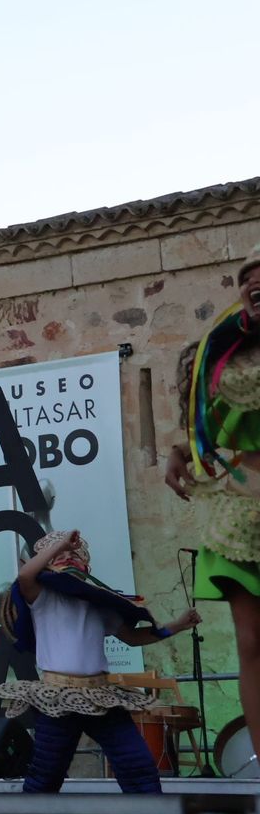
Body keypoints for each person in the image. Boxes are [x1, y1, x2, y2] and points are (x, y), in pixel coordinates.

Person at [0, 529, 199, 793]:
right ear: (48, 562)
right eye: (60, 554)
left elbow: (132, 638)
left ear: (85, 565)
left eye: (74, 554)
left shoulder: (100, 604)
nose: (68, 556)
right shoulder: (42, 596)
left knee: (139, 769)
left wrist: (178, 625)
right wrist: (62, 544)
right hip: (57, 698)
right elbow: (24, 576)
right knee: (45, 777)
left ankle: (150, 813)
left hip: (100, 696)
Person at [165, 247, 260, 744]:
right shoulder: (222, 353)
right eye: (247, 278)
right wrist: (181, 450)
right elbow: (212, 426)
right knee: (252, 643)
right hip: (240, 510)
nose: (255, 283)